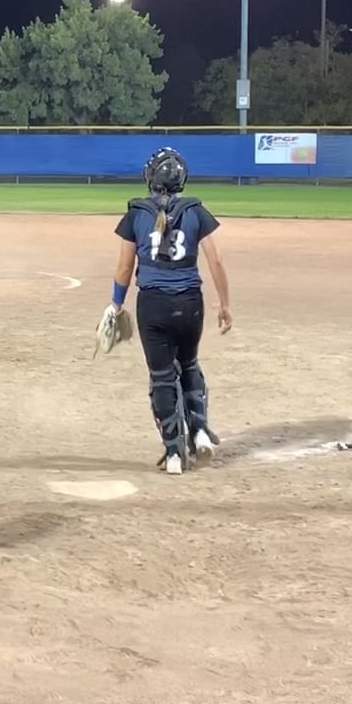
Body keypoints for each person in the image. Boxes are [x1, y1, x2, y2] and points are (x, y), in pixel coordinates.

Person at [107, 147, 232, 475]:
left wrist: (116, 305)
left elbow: (124, 268)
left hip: (153, 305)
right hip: (190, 303)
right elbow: (216, 261)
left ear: (150, 178)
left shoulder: (136, 213)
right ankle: (200, 432)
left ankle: (175, 453)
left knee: (162, 376)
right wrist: (225, 305)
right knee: (189, 364)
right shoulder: (196, 210)